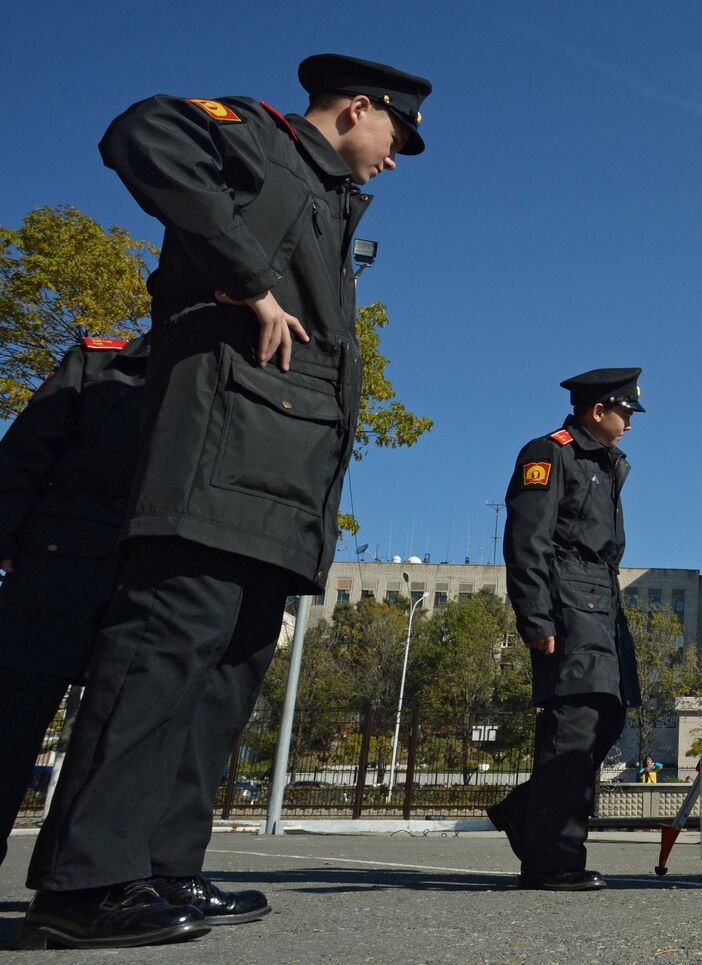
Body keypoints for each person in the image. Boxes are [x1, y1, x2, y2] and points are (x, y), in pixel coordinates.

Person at [19, 53, 432, 951]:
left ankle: (163, 867)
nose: (394, 158)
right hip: (215, 459)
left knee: (224, 676)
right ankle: (84, 883)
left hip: (280, 480)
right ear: (358, 109)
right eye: (396, 136)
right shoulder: (264, 141)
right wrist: (246, 277)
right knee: (162, 656)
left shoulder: (327, 199)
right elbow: (142, 133)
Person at [488, 368, 645, 892]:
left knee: (609, 714)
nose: (629, 423)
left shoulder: (605, 462)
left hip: (602, 597)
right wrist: (535, 615)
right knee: (573, 722)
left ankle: (523, 811)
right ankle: (553, 860)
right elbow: (526, 537)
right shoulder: (549, 452)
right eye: (624, 412)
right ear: (598, 410)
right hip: (568, 599)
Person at [0, 335, 149, 869]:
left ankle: (80, 880)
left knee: (120, 733)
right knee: (12, 720)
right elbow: (23, 452)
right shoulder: (99, 362)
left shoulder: (216, 379)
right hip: (58, 564)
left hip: (148, 575)